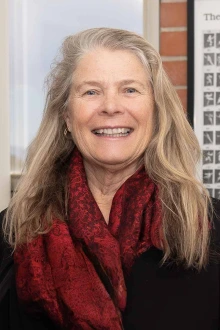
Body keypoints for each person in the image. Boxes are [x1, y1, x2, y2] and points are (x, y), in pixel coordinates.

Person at [0, 27, 220, 330]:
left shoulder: (211, 229)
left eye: (129, 90)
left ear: (156, 113)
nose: (111, 106)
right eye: (91, 91)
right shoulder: (12, 233)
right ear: (66, 117)